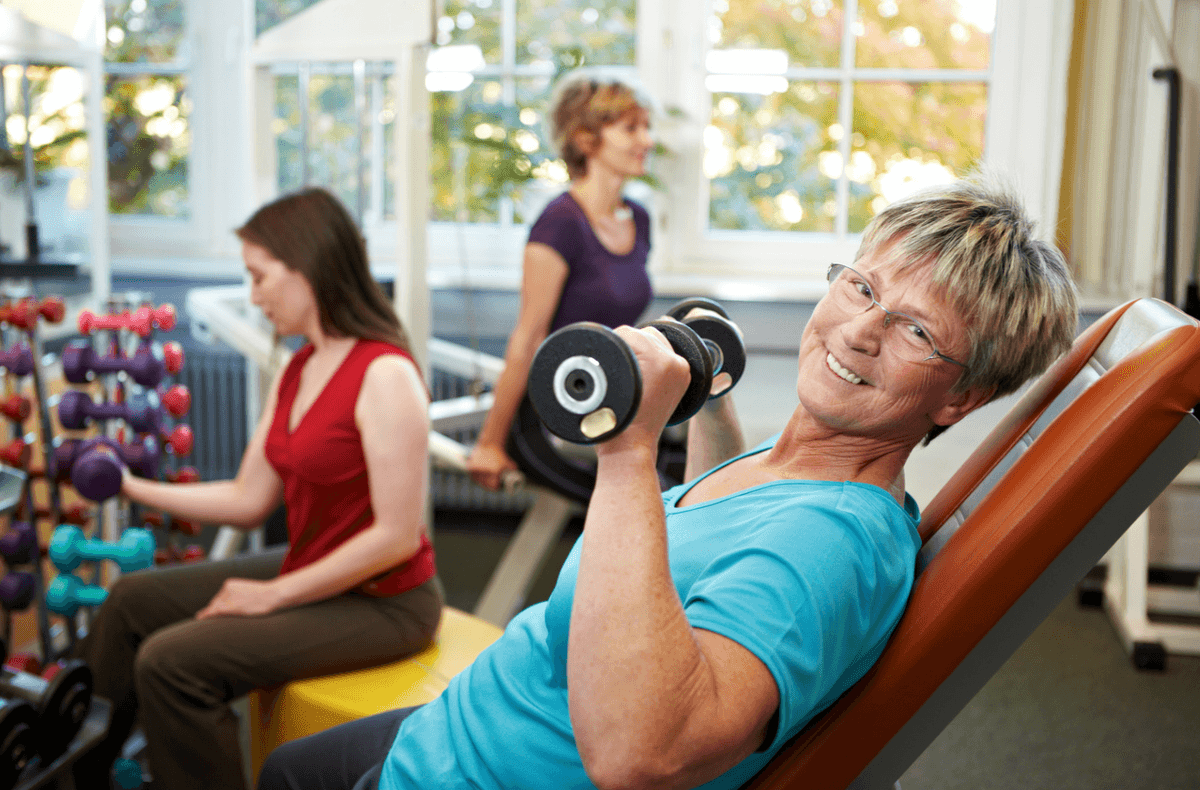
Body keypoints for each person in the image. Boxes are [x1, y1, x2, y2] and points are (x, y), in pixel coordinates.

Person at [257, 172, 1079, 790]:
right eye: (862, 286)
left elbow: (641, 752)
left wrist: (626, 446)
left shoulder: (832, 543)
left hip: (481, 772)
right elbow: (711, 536)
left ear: (962, 395)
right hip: (486, 717)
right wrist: (703, 395)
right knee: (289, 769)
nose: (861, 331)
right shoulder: (792, 467)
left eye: (917, 331)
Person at [73, 187, 443, 790]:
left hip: (385, 602)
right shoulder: (298, 368)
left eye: (260, 277)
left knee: (172, 662)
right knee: (130, 600)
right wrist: (131, 486)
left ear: (308, 268)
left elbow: (397, 538)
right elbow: (248, 499)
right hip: (317, 566)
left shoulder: (386, 374)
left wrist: (272, 596)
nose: (254, 296)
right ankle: (73, 767)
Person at [466, 68, 657, 491]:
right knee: (626, 502)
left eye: (646, 127)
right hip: (548, 408)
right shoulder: (559, 224)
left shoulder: (639, 220)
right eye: (631, 128)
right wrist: (489, 442)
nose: (647, 140)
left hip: (606, 400)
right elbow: (529, 335)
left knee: (674, 483)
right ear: (588, 138)